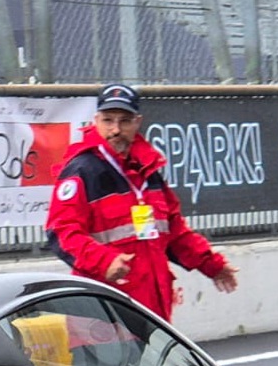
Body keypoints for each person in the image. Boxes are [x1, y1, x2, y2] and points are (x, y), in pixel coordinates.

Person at [45, 82, 237, 321]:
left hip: (151, 307)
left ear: (137, 122)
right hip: (104, 310)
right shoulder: (82, 170)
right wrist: (104, 261)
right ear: (96, 120)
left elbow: (174, 232)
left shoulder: (147, 171)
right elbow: (61, 232)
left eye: (124, 121)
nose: (115, 129)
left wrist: (211, 264)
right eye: (108, 120)